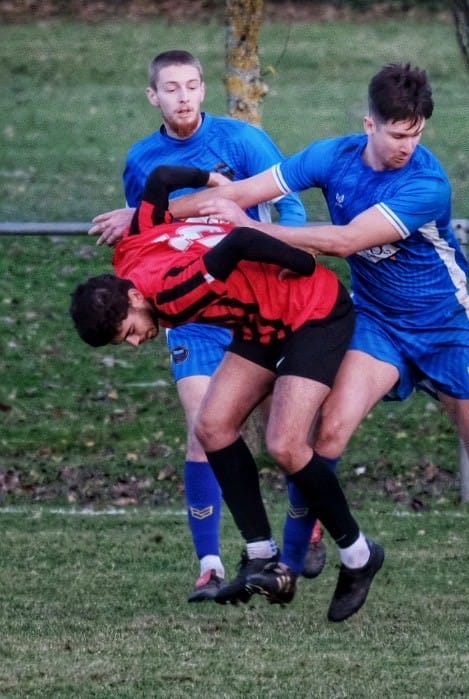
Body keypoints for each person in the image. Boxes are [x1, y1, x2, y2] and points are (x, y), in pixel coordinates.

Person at [170, 63, 469, 618]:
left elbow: (344, 241)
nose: (407, 146)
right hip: (378, 323)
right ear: (369, 123)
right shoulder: (332, 156)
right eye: (397, 134)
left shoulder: (427, 182)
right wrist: (144, 215)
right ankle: (290, 568)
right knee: (328, 433)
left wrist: (252, 231)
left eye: (416, 134)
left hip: (448, 330)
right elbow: (244, 191)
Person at [71, 165, 384, 623]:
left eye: (131, 332)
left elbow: (239, 242)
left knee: (285, 444)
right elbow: (159, 181)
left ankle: (359, 556)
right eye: (126, 342)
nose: (137, 342)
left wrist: (302, 264)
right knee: (214, 426)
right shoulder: (130, 252)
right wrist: (210, 180)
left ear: (136, 298)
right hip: (262, 320)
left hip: (311, 311)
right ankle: (260, 554)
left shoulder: (171, 295)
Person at [88, 50, 326, 601]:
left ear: (203, 89)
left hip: (255, 297)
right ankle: (210, 562)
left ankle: (304, 525)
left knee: (282, 433)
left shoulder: (241, 140)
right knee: (205, 430)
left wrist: (279, 258)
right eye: (170, 88)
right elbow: (147, 232)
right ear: (153, 97)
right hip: (191, 312)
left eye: (192, 85)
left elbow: (287, 205)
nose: (183, 97)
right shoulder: (142, 159)